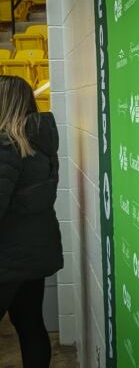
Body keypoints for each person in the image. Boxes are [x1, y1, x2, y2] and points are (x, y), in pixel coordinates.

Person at [0, 75, 62, 368]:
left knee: (28, 324)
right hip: (35, 252)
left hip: (8, 257)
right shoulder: (41, 142)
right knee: (29, 324)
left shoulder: (6, 146)